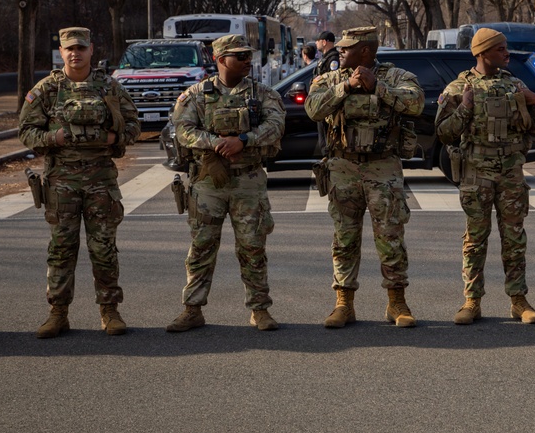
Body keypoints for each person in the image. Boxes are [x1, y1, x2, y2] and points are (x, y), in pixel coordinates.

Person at [18, 27, 139, 338]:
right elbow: (26, 132)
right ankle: (58, 313)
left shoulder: (109, 87)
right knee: (61, 248)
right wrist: (52, 137)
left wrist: (115, 137)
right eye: (69, 48)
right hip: (62, 181)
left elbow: (135, 125)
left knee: (104, 249)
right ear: (61, 51)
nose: (75, 53)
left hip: (101, 178)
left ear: (91, 50)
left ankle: (110, 311)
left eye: (81, 48)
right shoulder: (46, 89)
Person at [165, 34, 285, 333]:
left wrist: (244, 140)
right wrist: (218, 143)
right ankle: (192, 309)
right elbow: (182, 131)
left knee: (253, 246)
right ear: (220, 59)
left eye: (248, 55)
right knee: (201, 247)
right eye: (239, 56)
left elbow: (276, 125)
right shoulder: (194, 95)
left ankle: (260, 310)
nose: (247, 61)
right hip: (208, 182)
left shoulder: (263, 94)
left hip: (248, 181)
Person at [305, 26, 424, 328]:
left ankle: (397, 303)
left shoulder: (395, 77)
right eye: (341, 47)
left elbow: (416, 103)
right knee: (344, 237)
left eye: (347, 47)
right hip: (343, 167)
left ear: (366, 52)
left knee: (390, 237)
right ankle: (344, 304)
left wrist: (378, 88)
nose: (340, 51)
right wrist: (345, 88)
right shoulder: (331, 78)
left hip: (383, 167)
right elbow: (313, 109)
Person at [435, 28, 535, 325]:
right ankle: (472, 300)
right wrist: (465, 107)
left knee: (514, 237)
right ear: (483, 52)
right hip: (476, 172)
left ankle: (518, 300)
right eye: (500, 49)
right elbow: (444, 131)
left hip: (510, 170)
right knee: (476, 238)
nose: (506, 54)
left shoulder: (515, 84)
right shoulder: (459, 87)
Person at [313, 31, 340, 157]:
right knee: (323, 139)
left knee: (327, 141)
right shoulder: (325, 58)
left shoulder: (333, 59)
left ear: (324, 42)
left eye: (318, 40)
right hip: (321, 102)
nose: (316, 43)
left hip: (327, 104)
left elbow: (332, 81)